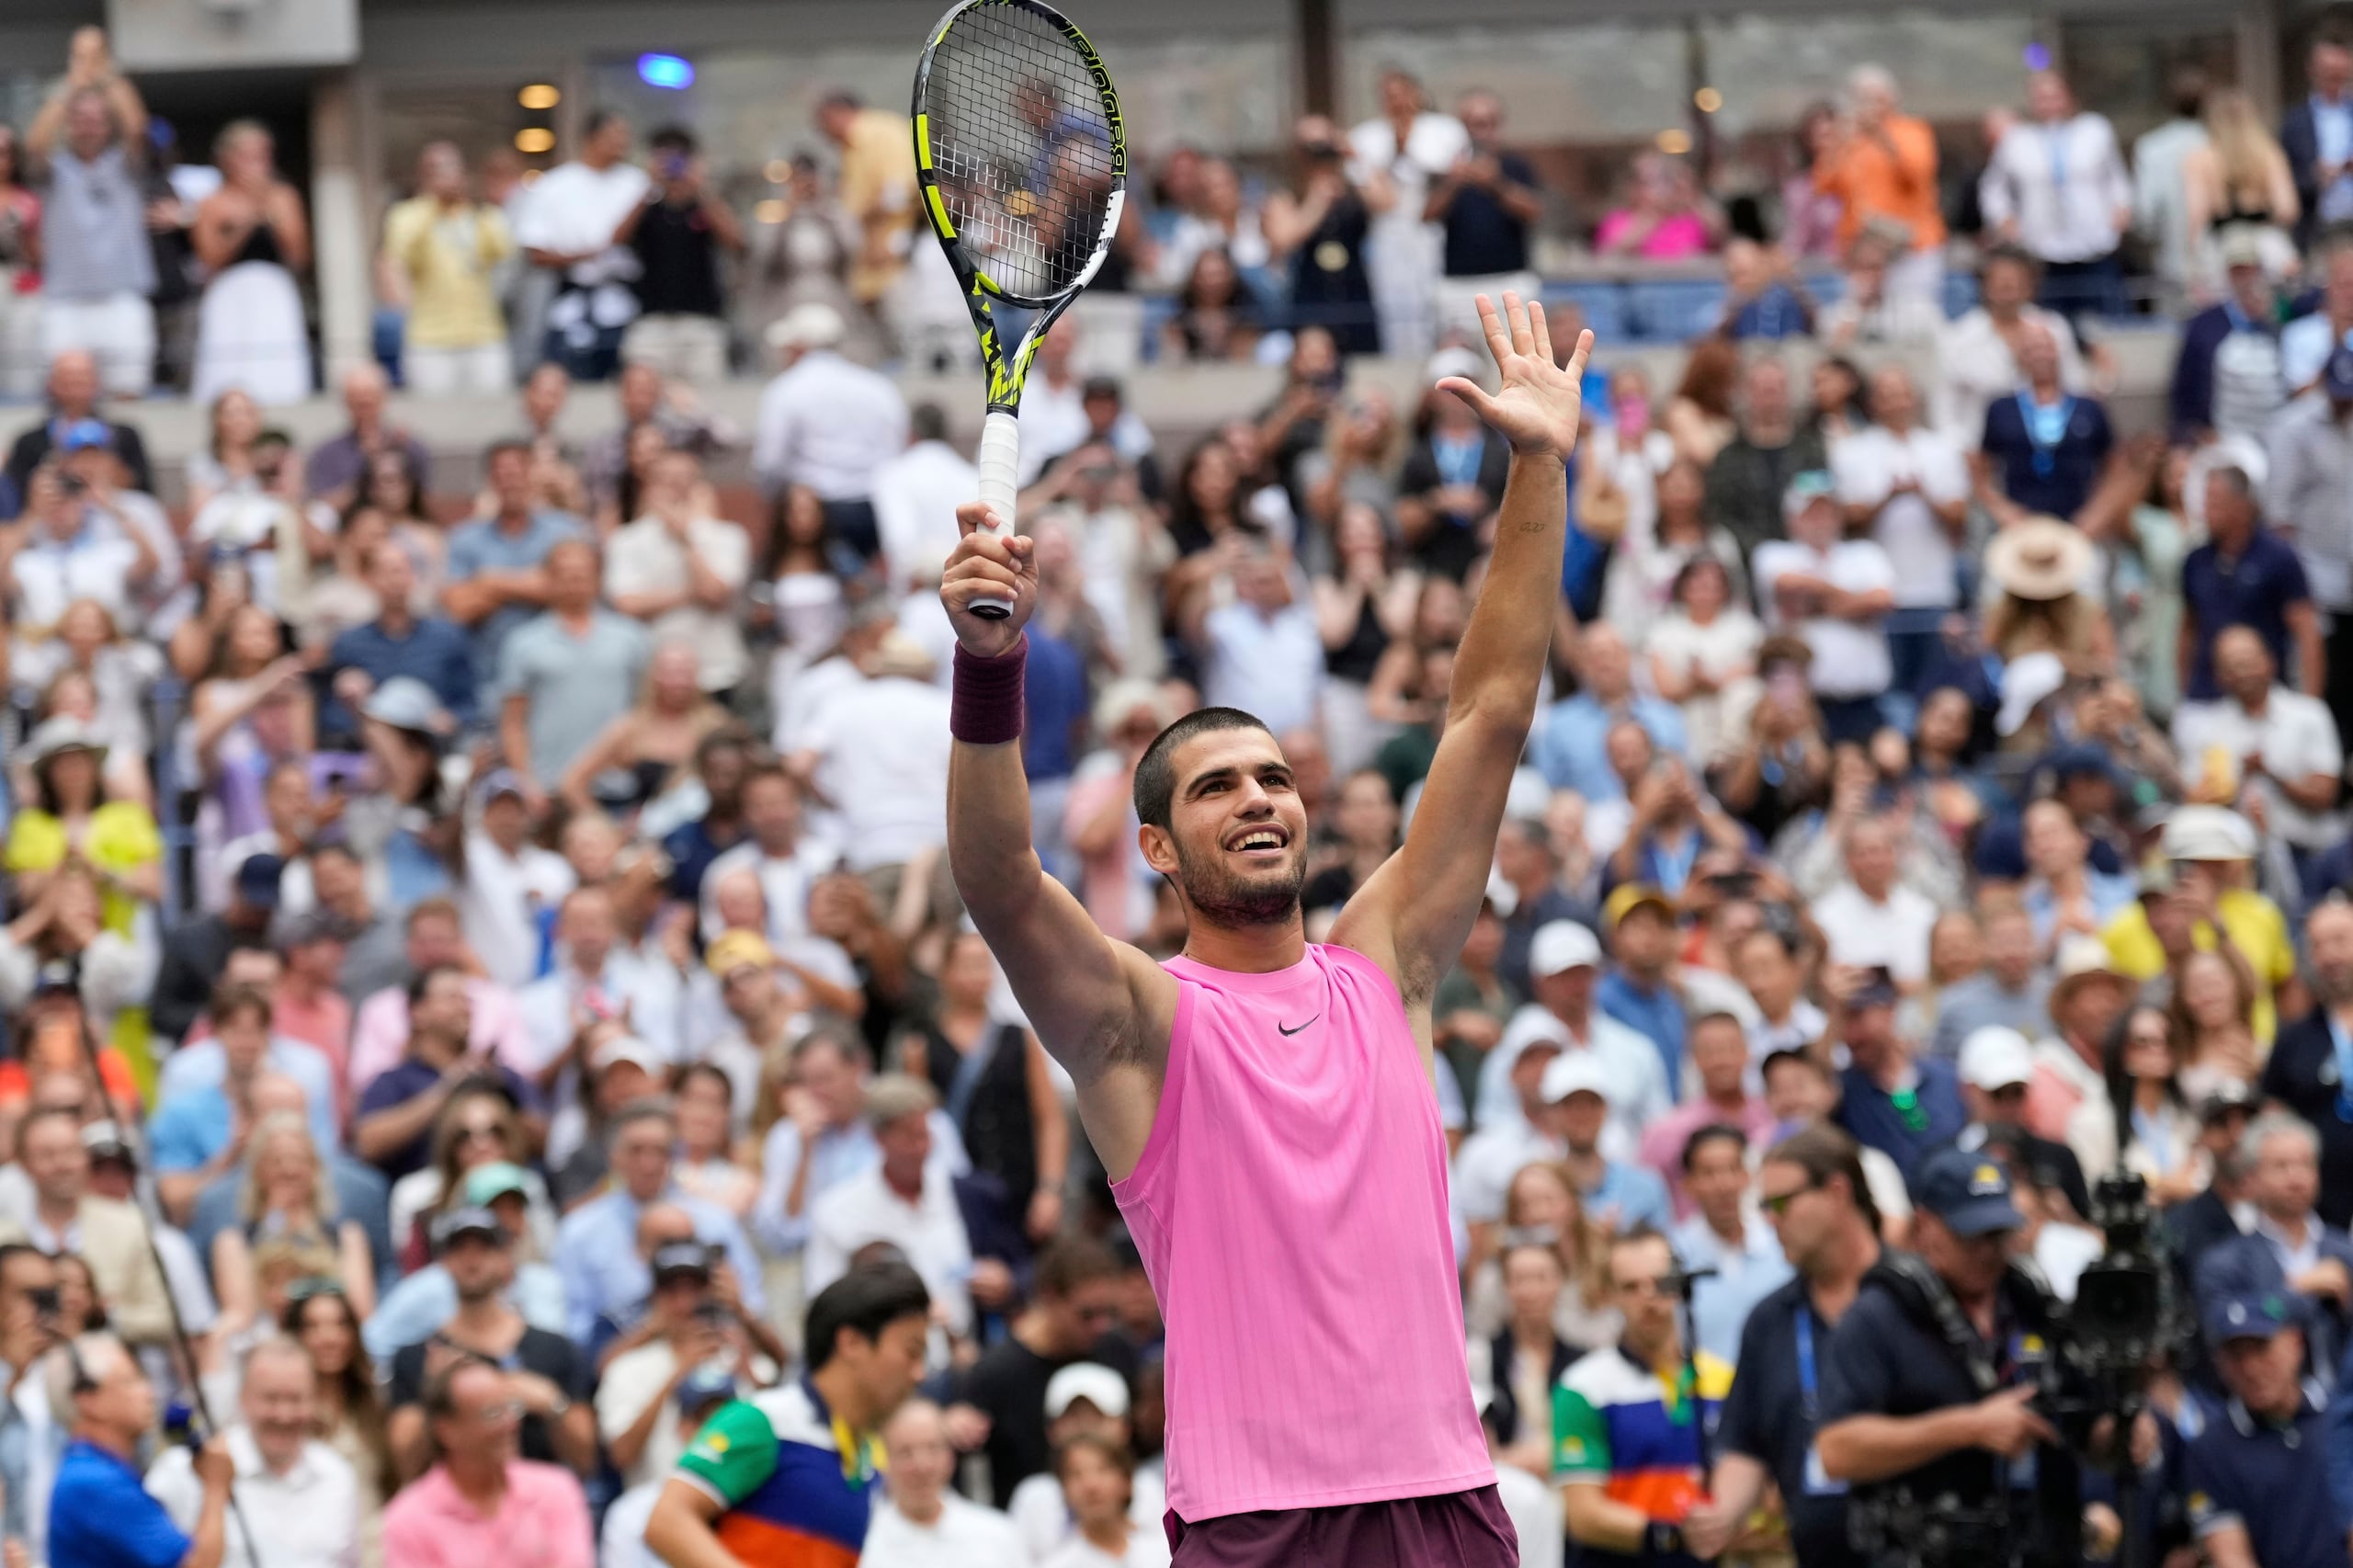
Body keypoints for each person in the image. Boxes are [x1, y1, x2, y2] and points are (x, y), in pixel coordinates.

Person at [1814, 1148, 2096, 1561]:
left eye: (1998, 1235)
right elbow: (1836, 1451)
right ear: (1926, 1226)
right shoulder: (1880, 1314)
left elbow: (2078, 1413)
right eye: (1971, 1236)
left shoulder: (2030, 1303)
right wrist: (1968, 1427)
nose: (1987, 1252)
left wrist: (2112, 1433)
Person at [644, 1263, 932, 1568]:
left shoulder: (869, 1459)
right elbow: (667, 1522)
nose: (919, 1373)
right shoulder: (765, 1420)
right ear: (851, 1343)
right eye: (911, 1352)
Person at [1685, 1125, 1883, 1567]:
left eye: (1780, 1204)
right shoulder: (1771, 1320)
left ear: (1836, 1193)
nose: (1769, 1220)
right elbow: (1744, 1443)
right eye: (1764, 1206)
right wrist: (1721, 1515)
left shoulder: (1914, 1299)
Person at [1553, 1228, 1725, 1565]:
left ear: (1679, 1287)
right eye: (1631, 1287)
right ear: (1610, 1295)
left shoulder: (1723, 1378)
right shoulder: (1583, 1386)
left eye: (1660, 1283)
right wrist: (1674, 1537)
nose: (1648, 1297)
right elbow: (1583, 1515)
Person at [385, 1206, 596, 1480]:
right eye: (459, 1249)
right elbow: (405, 1466)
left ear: (505, 1257)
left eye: (484, 1248)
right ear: (443, 1262)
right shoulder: (416, 1358)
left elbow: (586, 1458)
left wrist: (553, 1405)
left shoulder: (555, 1349)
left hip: (537, 1505)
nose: (472, 1261)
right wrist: (434, 1395)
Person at [550, 1101, 762, 1344]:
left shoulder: (717, 1222)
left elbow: (754, 1302)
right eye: (636, 1150)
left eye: (661, 1151)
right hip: (617, 1366)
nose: (649, 1164)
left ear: (675, 1156)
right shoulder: (579, 1232)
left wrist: (731, 1299)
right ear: (613, 1157)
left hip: (710, 1350)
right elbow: (574, 1326)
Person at [145, 1337, 361, 1568]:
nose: (284, 1415)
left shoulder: (336, 1476)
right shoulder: (185, 1471)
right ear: (242, 1398)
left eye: (296, 1399)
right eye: (271, 1399)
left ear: (314, 1400)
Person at [25, 35, 157, 397]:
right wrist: (73, 82)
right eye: (80, 119)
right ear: (68, 123)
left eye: (97, 120)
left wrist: (102, 69)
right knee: (62, 397)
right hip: (65, 301)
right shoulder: (54, 170)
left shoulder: (126, 166)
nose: (89, 127)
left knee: (128, 393)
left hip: (122, 296)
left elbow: (136, 126)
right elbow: (35, 143)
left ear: (108, 125)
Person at [2186, 1290, 2352, 1567]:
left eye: (2261, 1348)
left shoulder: (2342, 1421)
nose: (2251, 1368)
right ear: (2219, 1364)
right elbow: (2231, 1556)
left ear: (2296, 1344)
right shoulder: (2210, 1449)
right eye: (2236, 1356)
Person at [379, 1356, 594, 1568]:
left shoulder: (555, 1489)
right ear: (446, 1430)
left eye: (512, 1407)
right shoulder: (408, 1520)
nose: (511, 1423)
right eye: (493, 1413)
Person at [47, 1331, 236, 1568]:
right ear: (89, 1401)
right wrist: (215, 1487)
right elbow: (195, 1565)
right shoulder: (94, 1483)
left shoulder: (92, 1470)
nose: (149, 1392)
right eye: (130, 1381)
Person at [803, 1076, 973, 1335]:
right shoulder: (836, 1212)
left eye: (925, 1135)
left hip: (964, 1353)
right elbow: (824, 1303)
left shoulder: (961, 1193)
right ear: (879, 1138)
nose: (921, 1148)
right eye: (909, 1137)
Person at [2195, 1111, 2353, 1381]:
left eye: (2305, 1165)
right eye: (2281, 1166)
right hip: (2264, 1410)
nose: (2296, 1178)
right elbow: (2223, 1328)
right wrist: (2296, 1291)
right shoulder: (2225, 1262)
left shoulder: (2344, 1252)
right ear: (2250, 1179)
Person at [2175, 624, 2344, 864]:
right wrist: (2235, 783)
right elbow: (2195, 799)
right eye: (2232, 666)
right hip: (2237, 857)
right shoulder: (2208, 728)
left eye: (2248, 662)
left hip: (2308, 849)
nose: (2242, 672)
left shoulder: (2308, 714)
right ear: (2219, 676)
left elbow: (2325, 795)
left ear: (2269, 662)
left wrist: (2271, 773)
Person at [751, 302, 905, 558]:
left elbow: (770, 462)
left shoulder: (785, 390)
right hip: (877, 507)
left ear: (799, 346)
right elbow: (895, 448)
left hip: (816, 512)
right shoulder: (879, 387)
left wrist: (772, 504)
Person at [1752, 472, 1897, 743]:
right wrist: (1854, 601)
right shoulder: (1773, 553)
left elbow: (1882, 600)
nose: (1820, 520)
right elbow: (1788, 585)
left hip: (1864, 700)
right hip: (1801, 704)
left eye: (1827, 511)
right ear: (1792, 520)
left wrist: (1819, 604)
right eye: (1811, 512)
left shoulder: (1865, 553)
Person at [1978, 71, 2134, 322]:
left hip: (2095, 246)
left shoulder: (2094, 130)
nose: (2049, 104)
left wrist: (2122, 207)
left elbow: (2117, 178)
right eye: (2042, 98)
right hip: (2043, 251)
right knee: (2050, 326)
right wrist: (2003, 219)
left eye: (2055, 96)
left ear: (2068, 98)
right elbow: (1992, 187)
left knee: (2110, 323)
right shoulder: (2017, 139)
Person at [189, 120, 313, 406]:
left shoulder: (283, 197)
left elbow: (299, 256)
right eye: (248, 156)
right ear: (226, 160)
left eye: (263, 155)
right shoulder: (211, 202)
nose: (257, 164)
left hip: (273, 290)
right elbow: (209, 260)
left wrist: (267, 207)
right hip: (230, 292)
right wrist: (245, 220)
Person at [2266, 347, 2353, 740]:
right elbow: (2279, 516)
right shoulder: (2292, 428)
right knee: (2325, 691)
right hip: (2317, 582)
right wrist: (2294, 587)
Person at [380, 142, 514, 395]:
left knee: (491, 415)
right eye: (437, 169)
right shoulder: (406, 214)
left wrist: (472, 203)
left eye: (451, 168)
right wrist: (434, 202)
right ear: (424, 174)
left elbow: (503, 248)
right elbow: (399, 253)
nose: (446, 176)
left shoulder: (479, 213)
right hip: (430, 338)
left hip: (484, 334)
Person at [2179, 463, 2320, 706]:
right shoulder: (2196, 560)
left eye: (2214, 503)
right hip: (2206, 697)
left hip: (2265, 699)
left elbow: (2306, 630)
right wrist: (2184, 688)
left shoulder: (2279, 557)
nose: (2206, 511)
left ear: (2241, 507)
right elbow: (2188, 628)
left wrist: (2311, 702)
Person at [617, 126, 742, 383]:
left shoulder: (704, 207)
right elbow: (617, 239)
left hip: (701, 321)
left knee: (707, 399)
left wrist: (700, 187)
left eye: (678, 160)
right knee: (645, 392)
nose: (672, 168)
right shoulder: (648, 209)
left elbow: (736, 242)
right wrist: (649, 186)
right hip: (652, 321)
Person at [1812, 66, 1946, 303]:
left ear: (1891, 98)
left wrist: (1881, 135)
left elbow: (1917, 175)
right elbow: (1823, 185)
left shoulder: (1913, 130)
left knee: (1913, 318)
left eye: (1875, 98)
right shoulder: (1850, 137)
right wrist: (1838, 141)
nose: (1868, 105)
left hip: (1911, 249)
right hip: (1863, 256)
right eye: (1861, 98)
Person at [1669, 1126, 1791, 1366]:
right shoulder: (1672, 1254)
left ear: (1748, 1176)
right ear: (1688, 1185)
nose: (1723, 1185)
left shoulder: (1782, 1242)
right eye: (1709, 1173)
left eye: (1733, 1169)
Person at [861, 1397, 1029, 1568]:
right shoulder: (863, 1542)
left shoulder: (997, 1536)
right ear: (885, 1460)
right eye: (905, 1452)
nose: (922, 1466)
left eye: (932, 1448)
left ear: (950, 1456)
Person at [2280, 31, 2353, 246]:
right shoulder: (2295, 123)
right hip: (2317, 228)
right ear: (2312, 71)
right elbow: (2285, 178)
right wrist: (2315, 176)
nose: (2334, 79)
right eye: (2328, 72)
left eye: (2339, 73)